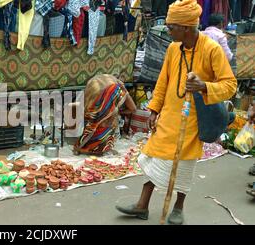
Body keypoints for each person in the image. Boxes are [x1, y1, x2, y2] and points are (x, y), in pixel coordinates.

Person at [115, 0, 237, 224]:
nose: (167, 29)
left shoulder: (211, 49)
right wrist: (153, 109)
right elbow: (163, 81)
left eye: (172, 26)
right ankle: (142, 206)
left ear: (187, 27)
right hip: (169, 117)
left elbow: (230, 85)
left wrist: (204, 87)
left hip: (192, 120)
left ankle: (178, 207)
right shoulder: (172, 49)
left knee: (183, 166)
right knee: (154, 160)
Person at [73, 74, 136, 155]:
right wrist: (116, 112)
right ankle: (99, 149)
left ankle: (83, 146)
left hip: (89, 111)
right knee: (107, 121)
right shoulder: (117, 88)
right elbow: (133, 109)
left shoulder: (97, 80)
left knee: (93, 124)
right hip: (101, 119)